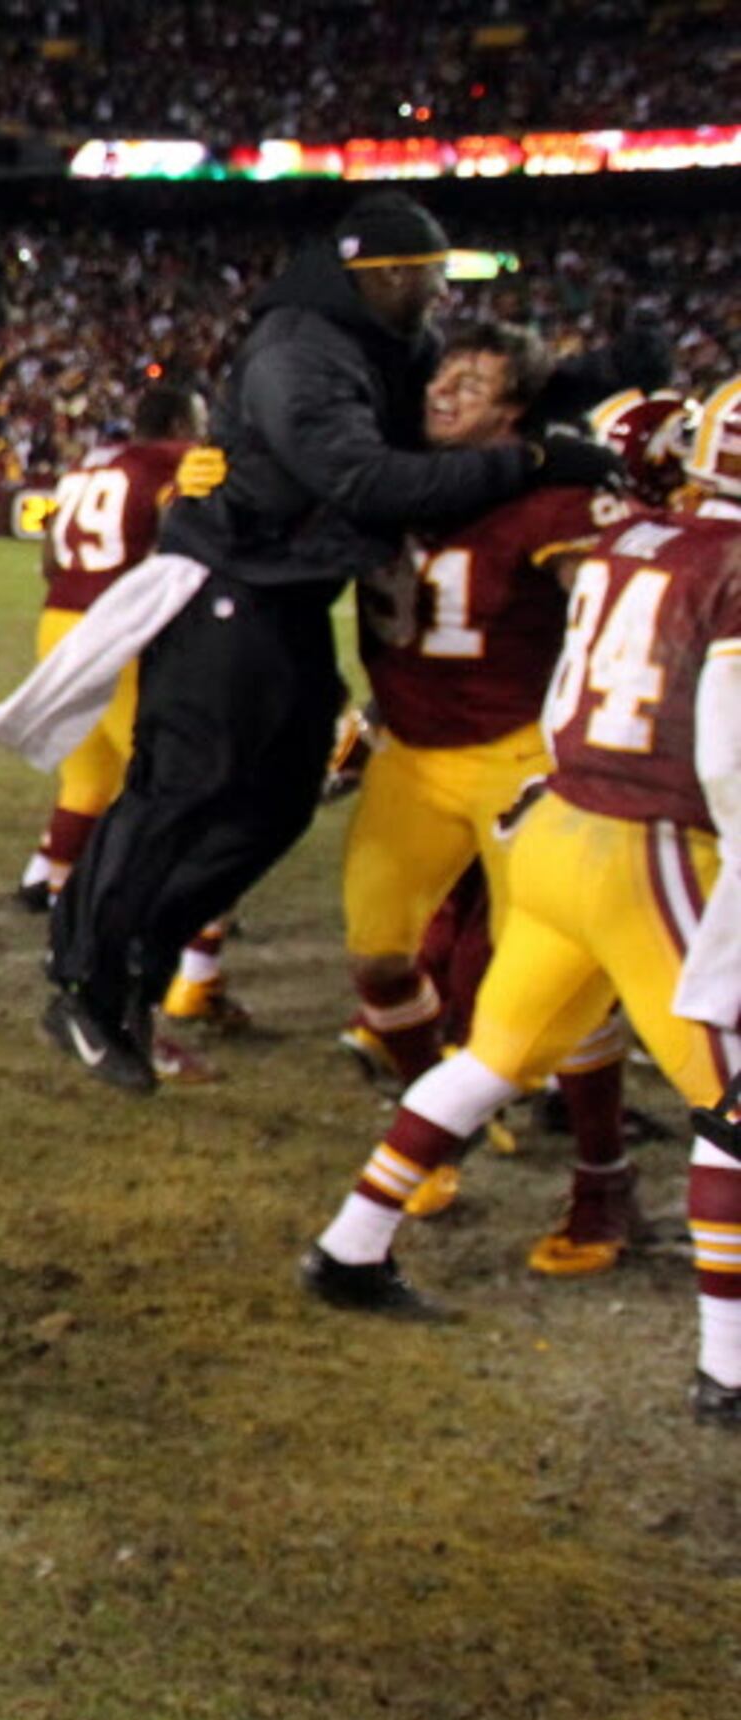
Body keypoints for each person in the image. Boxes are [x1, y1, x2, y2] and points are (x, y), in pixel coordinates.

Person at [38, 192, 622, 1092]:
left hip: (285, 593)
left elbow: (470, 386)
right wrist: (533, 463)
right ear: (385, 276)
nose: (438, 297)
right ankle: (86, 979)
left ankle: (138, 960)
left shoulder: (371, 339)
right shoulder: (302, 347)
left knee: (276, 805)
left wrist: (599, 381)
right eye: (430, 278)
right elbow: (365, 475)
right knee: (183, 789)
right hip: (231, 588)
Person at [301, 381, 741, 1406]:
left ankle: (350, 1244)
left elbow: (562, 686)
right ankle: (728, 1366)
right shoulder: (723, 562)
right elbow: (724, 750)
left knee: (494, 1057)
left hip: (555, 827)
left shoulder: (633, 538)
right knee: (730, 1097)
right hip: (648, 843)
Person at [336, 334, 660, 1255]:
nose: (443, 392)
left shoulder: (549, 493)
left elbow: (603, 602)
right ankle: (436, 1118)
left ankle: (603, 1180)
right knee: (378, 954)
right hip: (412, 752)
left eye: (470, 382)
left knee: (560, 978)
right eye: (439, 375)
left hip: (520, 756)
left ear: (514, 410)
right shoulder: (386, 473)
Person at [14, 386, 208, 914]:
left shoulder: (89, 463)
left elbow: (53, 553)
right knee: (163, 771)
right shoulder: (177, 460)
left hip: (58, 620)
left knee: (87, 775)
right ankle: (180, 903)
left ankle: (56, 891)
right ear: (177, 422)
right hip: (120, 621)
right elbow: (184, 538)